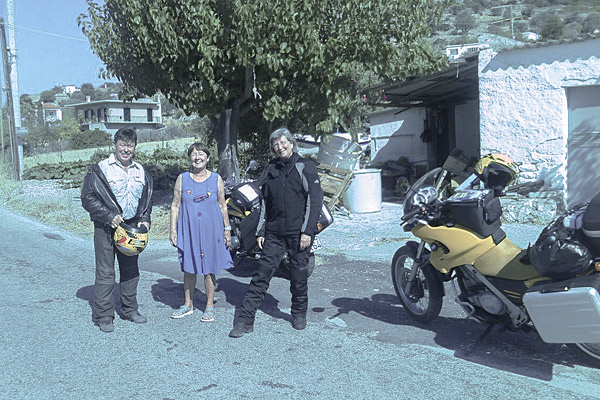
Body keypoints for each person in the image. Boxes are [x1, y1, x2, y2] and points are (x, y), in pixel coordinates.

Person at [229, 128, 323, 338]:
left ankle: (299, 313)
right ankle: (245, 321)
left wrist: (307, 231)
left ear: (291, 143)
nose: (279, 147)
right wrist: (261, 230)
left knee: (298, 276)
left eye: (282, 143)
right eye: (275, 144)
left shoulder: (305, 166)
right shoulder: (271, 168)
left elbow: (315, 201)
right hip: (274, 232)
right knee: (261, 275)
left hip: (298, 233)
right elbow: (264, 202)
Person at [81, 127, 153, 333]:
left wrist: (145, 219)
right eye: (122, 145)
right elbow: (87, 197)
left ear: (135, 147)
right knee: (106, 272)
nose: (126, 149)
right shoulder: (100, 169)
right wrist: (108, 215)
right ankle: (104, 315)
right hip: (105, 228)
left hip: (131, 229)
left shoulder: (141, 171)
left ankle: (130, 309)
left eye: (130, 145)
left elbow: (147, 200)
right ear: (114, 145)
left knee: (131, 271)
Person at [169, 142, 233, 322]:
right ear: (190, 158)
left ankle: (209, 306)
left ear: (208, 158)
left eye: (201, 154)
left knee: (209, 269)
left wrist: (227, 229)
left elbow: (222, 205)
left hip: (211, 231)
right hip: (188, 230)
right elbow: (175, 205)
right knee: (188, 268)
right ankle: (188, 304)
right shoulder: (182, 178)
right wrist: (173, 230)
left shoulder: (216, 179)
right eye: (194, 154)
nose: (197, 158)